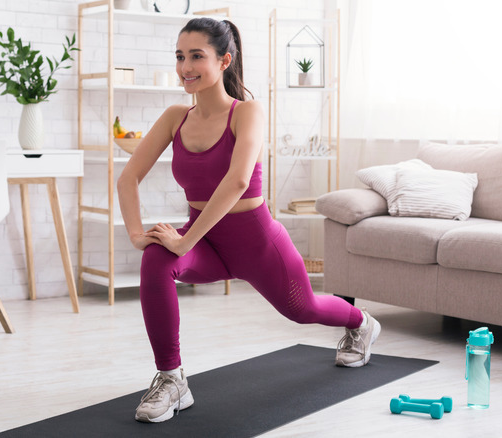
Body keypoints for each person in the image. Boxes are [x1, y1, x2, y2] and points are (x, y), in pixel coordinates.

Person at [117, 17, 381, 424]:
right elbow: (128, 176)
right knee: (155, 257)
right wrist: (138, 235)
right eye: (180, 57)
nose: (185, 67)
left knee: (302, 309)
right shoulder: (175, 117)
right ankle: (172, 380)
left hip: (257, 244)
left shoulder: (248, 113)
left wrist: (184, 241)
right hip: (206, 242)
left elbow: (238, 180)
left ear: (224, 61)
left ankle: (360, 323)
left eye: (196, 56)